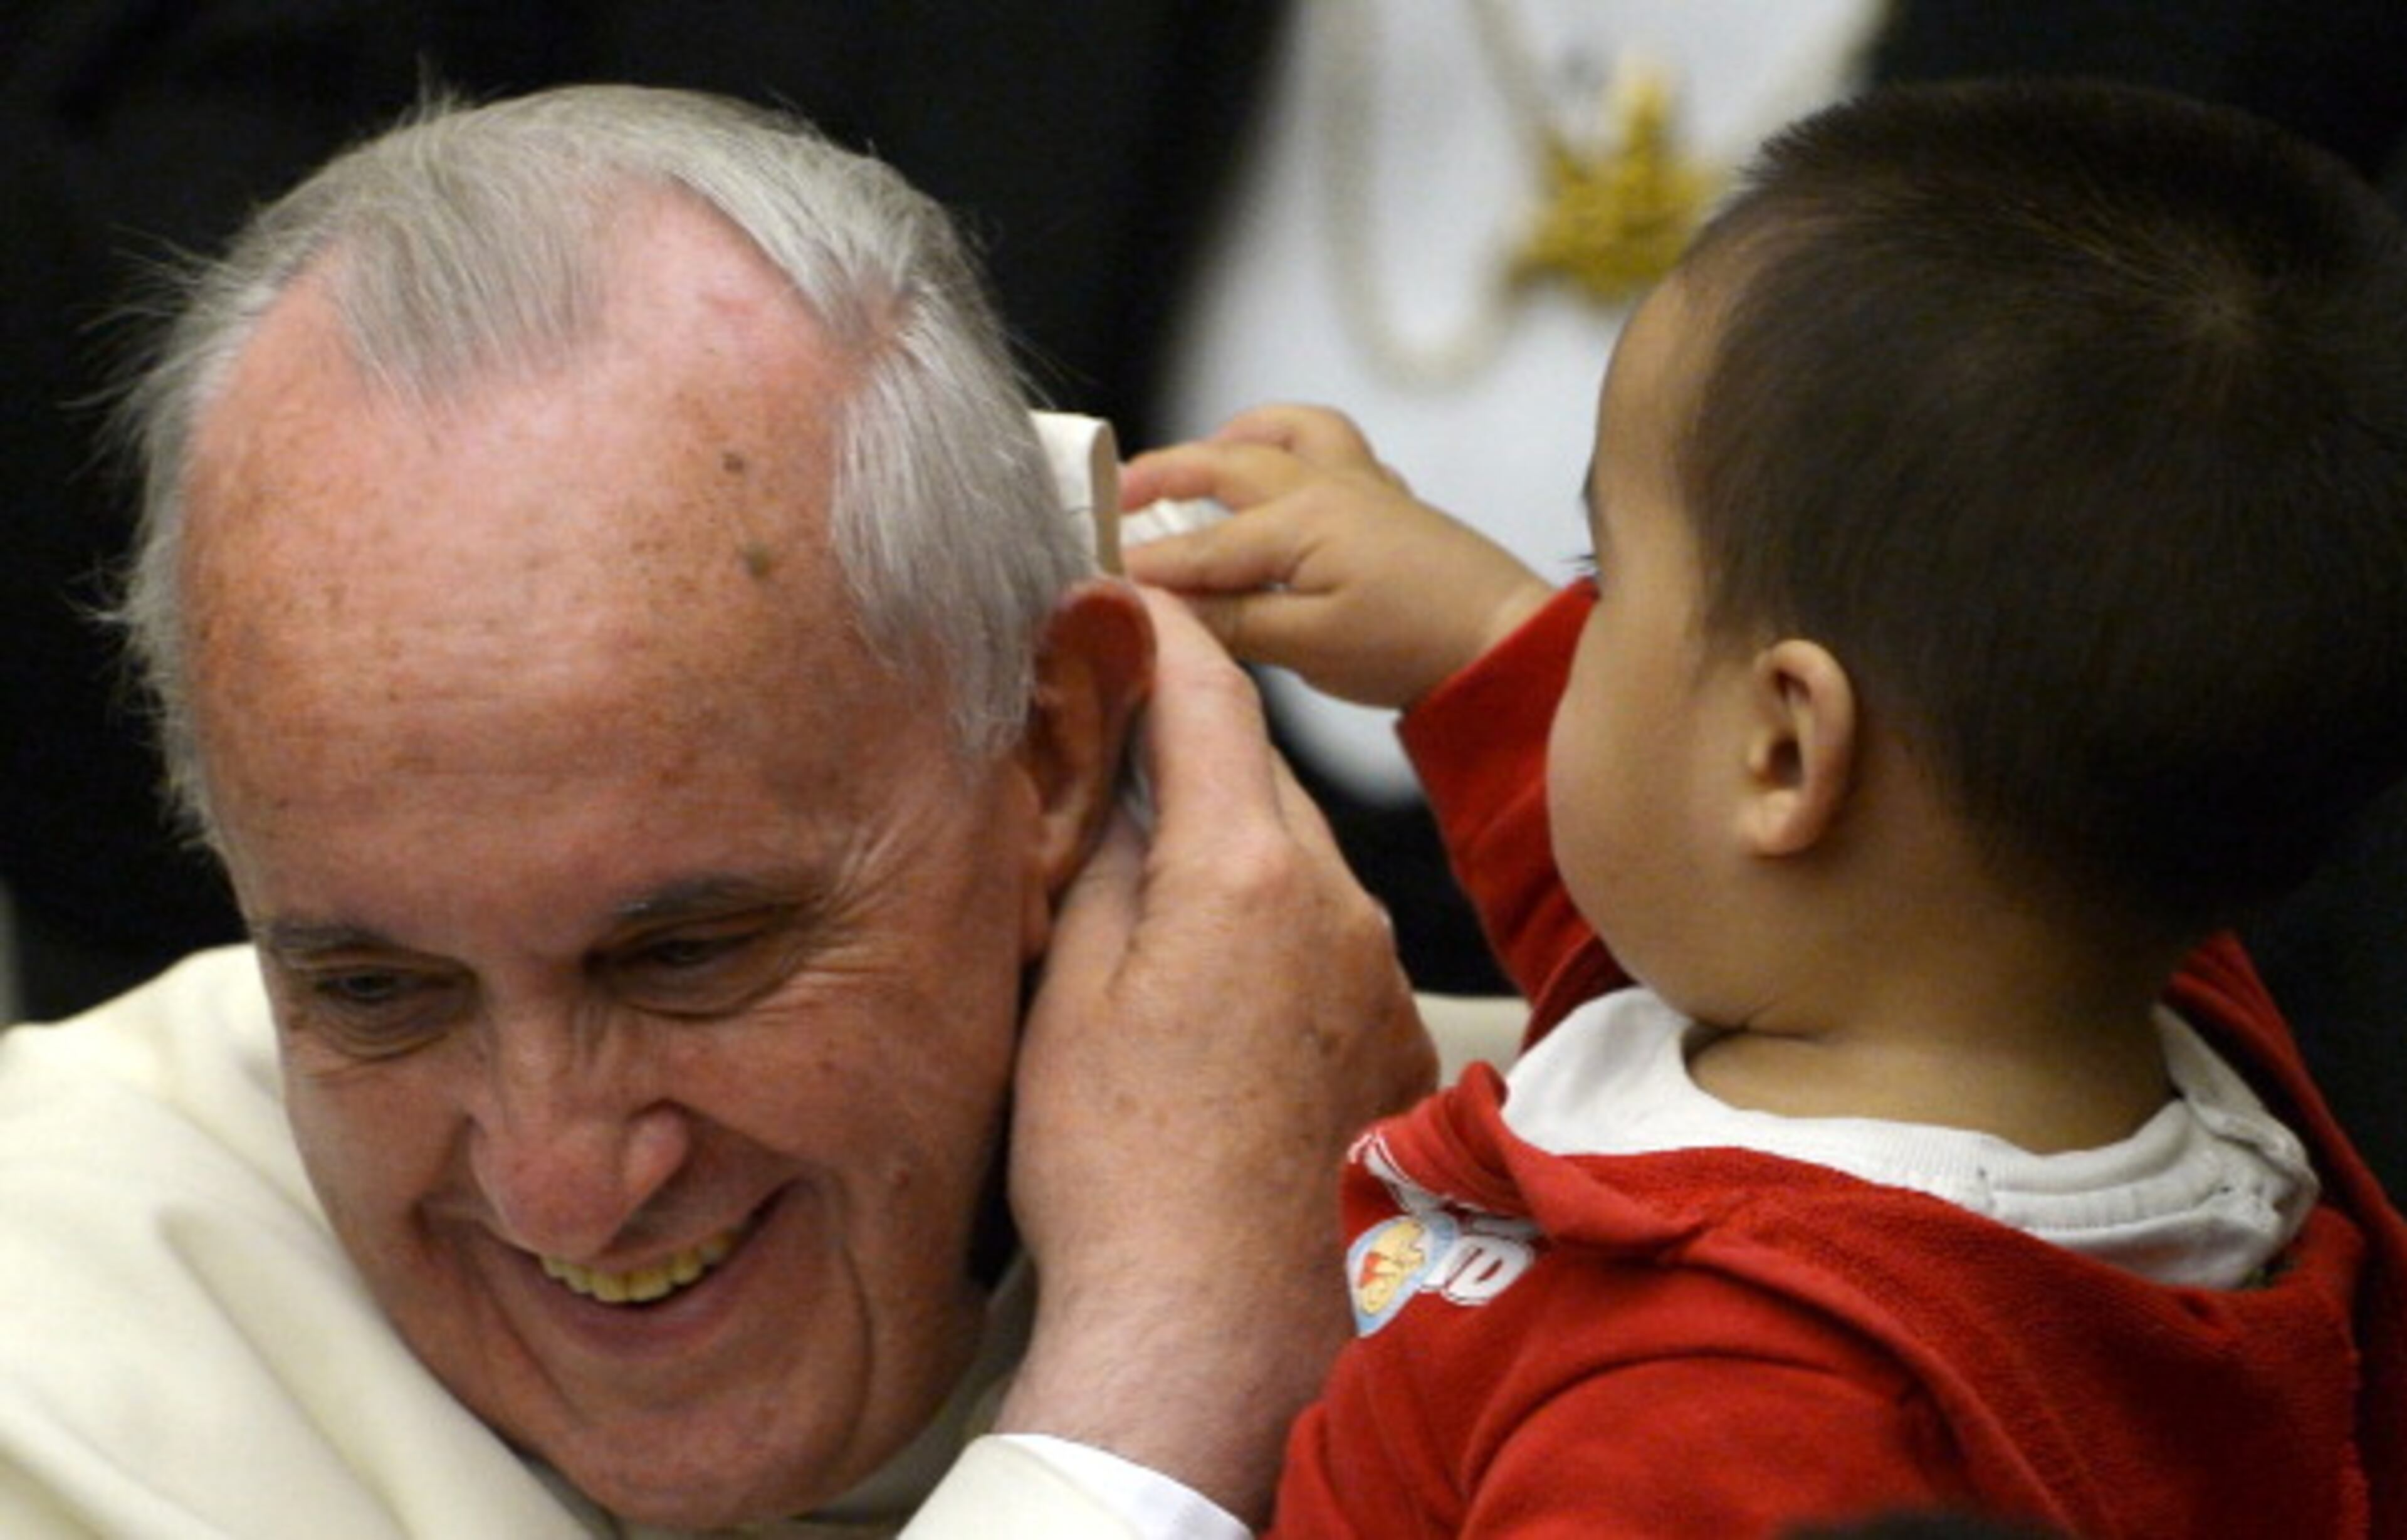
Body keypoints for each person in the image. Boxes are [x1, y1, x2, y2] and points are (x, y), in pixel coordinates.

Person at [0, 84, 1434, 1537]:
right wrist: (1159, 1400)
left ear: (1046, 748)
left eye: (688, 952)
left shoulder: (1530, 1194)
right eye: (376, 990)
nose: (562, 1187)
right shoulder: (56, 1329)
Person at [1125, 79, 2407, 1535]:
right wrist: (1473, 632)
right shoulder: (2122, 995)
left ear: (1787, 752)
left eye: (1598, 579)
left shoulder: (1711, 1421)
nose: (1573, 614)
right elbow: (1681, 900)